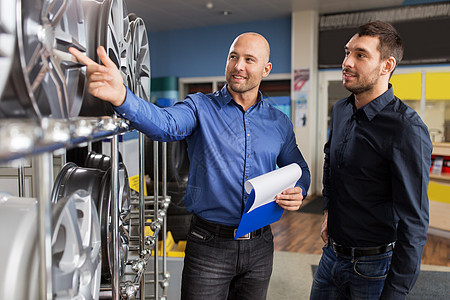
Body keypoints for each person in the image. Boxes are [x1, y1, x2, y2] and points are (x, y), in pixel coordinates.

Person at [70, 32, 311, 299]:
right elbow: (164, 124)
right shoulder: (200, 107)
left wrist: (299, 188)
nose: (238, 66)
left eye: (249, 59)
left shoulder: (279, 122)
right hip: (209, 245)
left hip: (261, 245)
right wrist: (122, 97)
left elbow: (298, 168)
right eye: (233, 57)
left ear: (266, 69)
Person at [310, 21, 432, 300]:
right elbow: (331, 163)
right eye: (347, 52)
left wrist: (396, 291)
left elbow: (414, 223)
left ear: (387, 65)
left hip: (374, 267)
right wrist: (328, 210)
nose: (346, 62)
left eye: (360, 55)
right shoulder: (341, 109)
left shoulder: (406, 128)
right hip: (331, 257)